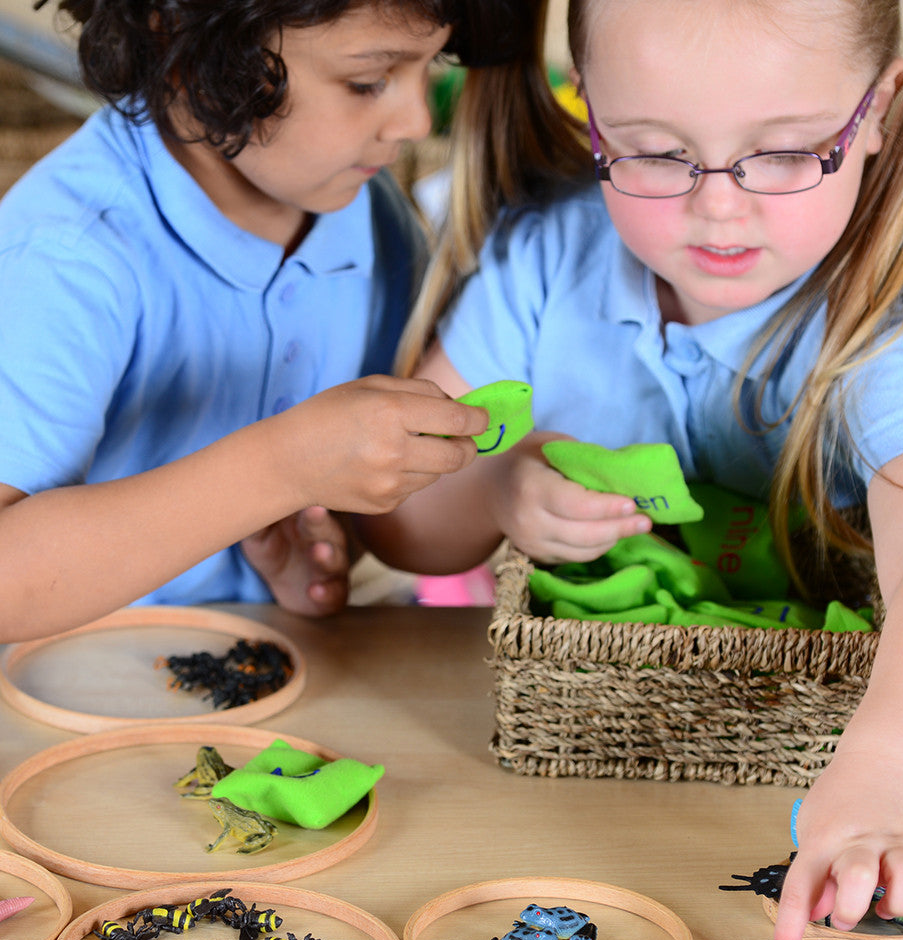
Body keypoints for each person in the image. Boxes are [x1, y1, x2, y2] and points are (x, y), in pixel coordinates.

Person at [360, 0, 903, 940]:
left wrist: (883, 774)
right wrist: (496, 494)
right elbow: (403, 527)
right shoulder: (544, 263)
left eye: (788, 153)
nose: (718, 206)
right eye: (655, 153)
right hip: (580, 785)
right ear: (590, 117)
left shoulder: (899, 322)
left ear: (879, 111)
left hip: (875, 797)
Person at [0, 0, 532, 643]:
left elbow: (346, 496)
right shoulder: (69, 254)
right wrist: (284, 467)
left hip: (272, 666)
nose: (417, 120)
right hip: (74, 685)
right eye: (367, 81)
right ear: (188, 49)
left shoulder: (374, 218)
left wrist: (318, 553)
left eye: (431, 67)